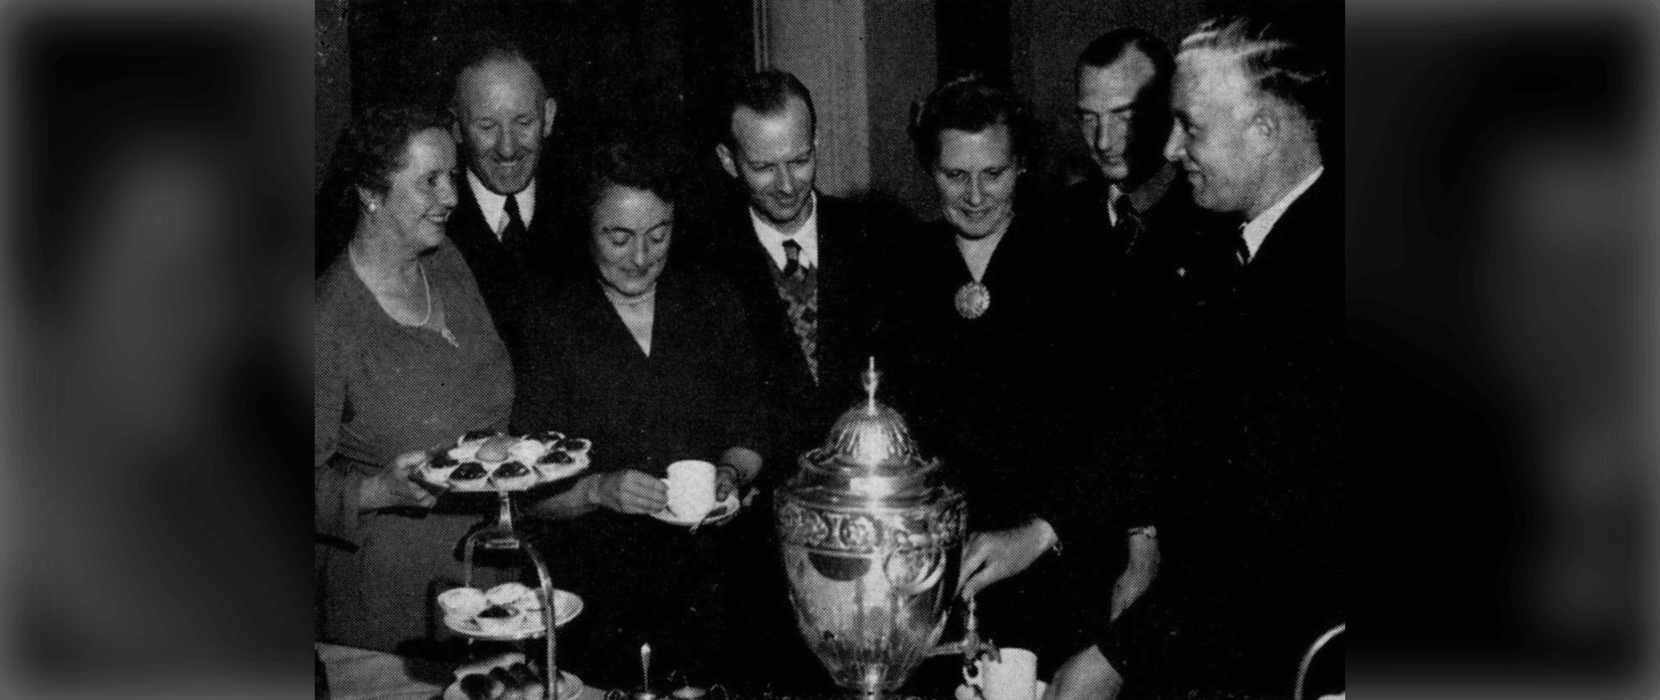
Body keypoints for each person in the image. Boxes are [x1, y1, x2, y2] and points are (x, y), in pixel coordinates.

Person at [510, 133, 765, 689]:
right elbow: (527, 493)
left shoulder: (711, 300)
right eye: (619, 237)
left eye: (658, 234)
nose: (642, 257)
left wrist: (731, 473)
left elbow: (749, 428)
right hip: (598, 602)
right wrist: (600, 489)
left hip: (709, 591)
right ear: (586, 228)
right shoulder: (553, 320)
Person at [1157, 13, 1343, 691]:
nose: (1172, 148)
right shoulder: (1226, 252)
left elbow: (1260, 529)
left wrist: (1127, 650)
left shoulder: (1326, 283)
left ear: (1263, 132)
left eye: (1192, 127)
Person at [687, 69, 889, 689]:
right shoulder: (698, 260)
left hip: (873, 551)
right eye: (763, 166)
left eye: (801, 161)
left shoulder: (880, 235)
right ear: (727, 160)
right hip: (756, 564)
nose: (787, 184)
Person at [883, 72, 1088, 679]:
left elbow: (1108, 430)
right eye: (954, 175)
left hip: (1049, 564)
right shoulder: (901, 262)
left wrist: (1040, 532)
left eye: (993, 174)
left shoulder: (1071, 258)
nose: (975, 195)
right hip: (926, 577)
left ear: (1021, 164)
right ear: (928, 169)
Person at [314, 103, 516, 655]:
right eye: (429, 180)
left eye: (450, 176)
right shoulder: (326, 320)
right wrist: (378, 490)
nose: (451, 197)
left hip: (488, 582)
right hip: (393, 613)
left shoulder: (446, 261)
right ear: (371, 192)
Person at [445, 34, 572, 353]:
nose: (507, 147)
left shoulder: (585, 207)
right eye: (486, 127)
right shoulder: (433, 223)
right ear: (457, 127)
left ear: (549, 117)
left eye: (523, 122)